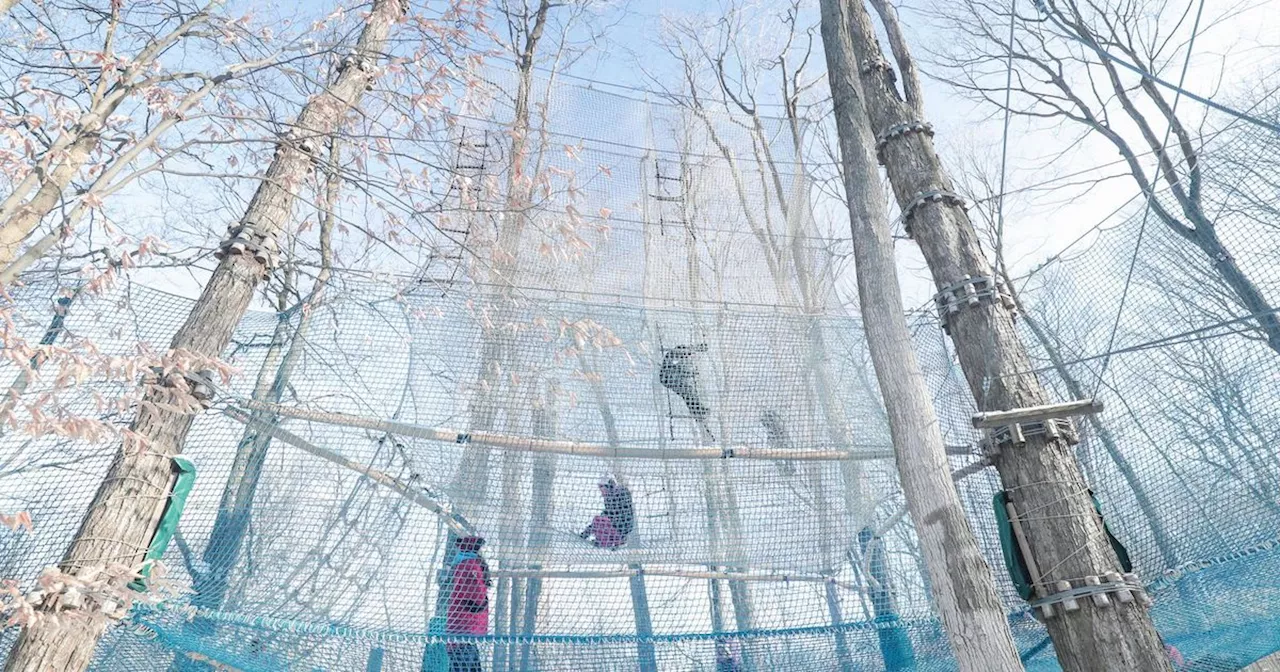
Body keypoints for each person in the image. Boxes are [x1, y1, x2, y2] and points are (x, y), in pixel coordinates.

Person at [445, 535, 490, 672]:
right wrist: (480, 605)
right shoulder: (470, 565)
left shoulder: (465, 565)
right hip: (467, 630)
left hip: (462, 631)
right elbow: (476, 593)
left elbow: (475, 593)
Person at [580, 477, 635, 549]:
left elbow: (616, 512)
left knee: (600, 521)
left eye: (601, 487)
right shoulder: (611, 495)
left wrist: (607, 517)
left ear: (607, 486)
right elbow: (609, 511)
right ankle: (611, 540)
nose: (600, 490)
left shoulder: (616, 495)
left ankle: (611, 541)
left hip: (622, 525)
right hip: (621, 524)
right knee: (600, 521)